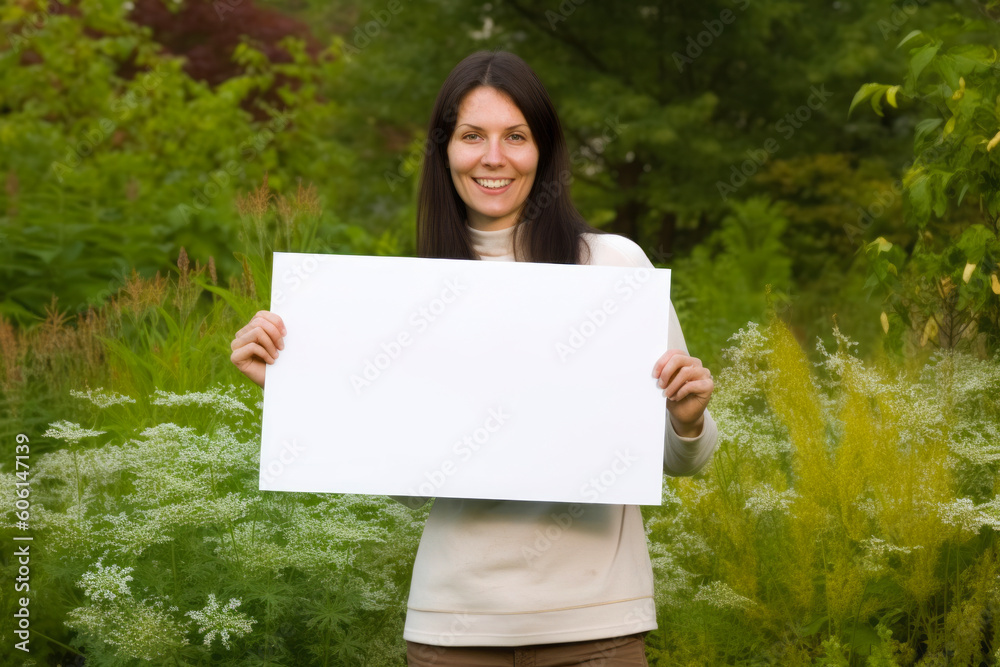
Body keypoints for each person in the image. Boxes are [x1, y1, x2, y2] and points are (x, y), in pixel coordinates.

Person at [231, 49, 718, 667]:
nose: (494, 157)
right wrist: (294, 385)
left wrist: (687, 416)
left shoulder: (615, 268)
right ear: (445, 153)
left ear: (543, 151)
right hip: (451, 630)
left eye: (516, 136)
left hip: (598, 625)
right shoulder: (411, 298)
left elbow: (685, 461)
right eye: (472, 136)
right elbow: (407, 484)